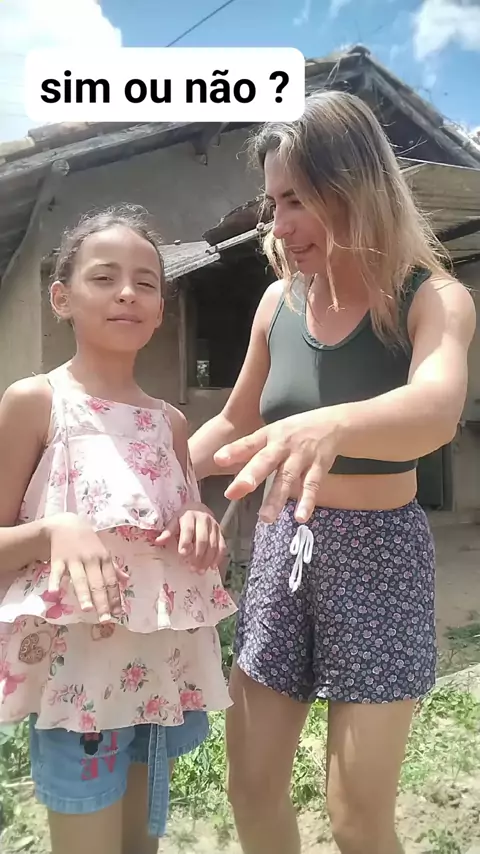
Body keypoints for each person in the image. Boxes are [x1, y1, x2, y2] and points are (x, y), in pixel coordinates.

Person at [189, 91, 476, 854]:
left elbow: (437, 407)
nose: (278, 226)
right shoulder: (277, 303)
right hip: (282, 552)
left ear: (356, 187)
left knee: (355, 820)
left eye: (298, 200)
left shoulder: (433, 298)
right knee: (250, 788)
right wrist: (153, 474)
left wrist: (333, 423)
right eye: (273, 203)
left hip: (381, 559)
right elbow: (235, 422)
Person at [0, 205, 237, 854]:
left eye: (146, 282)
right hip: (76, 686)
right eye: (104, 278)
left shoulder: (170, 423)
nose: (127, 292)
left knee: (140, 845)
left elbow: (189, 542)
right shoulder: (36, 403)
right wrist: (51, 532)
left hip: (156, 677)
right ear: (62, 298)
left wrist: (198, 526)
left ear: (160, 310)